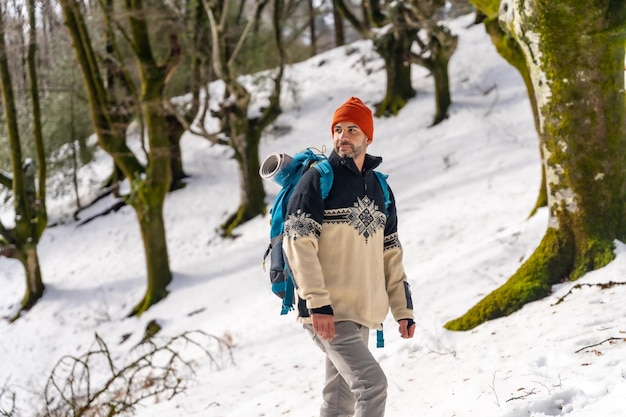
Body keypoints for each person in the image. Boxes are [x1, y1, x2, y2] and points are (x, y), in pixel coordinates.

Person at [283, 96, 415, 417]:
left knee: (340, 400)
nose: (343, 136)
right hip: (327, 312)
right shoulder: (317, 180)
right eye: (338, 129)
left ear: (368, 138)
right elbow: (298, 243)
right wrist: (318, 303)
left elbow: (390, 253)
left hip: (361, 313)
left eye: (352, 130)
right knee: (372, 385)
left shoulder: (380, 188)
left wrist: (403, 308)